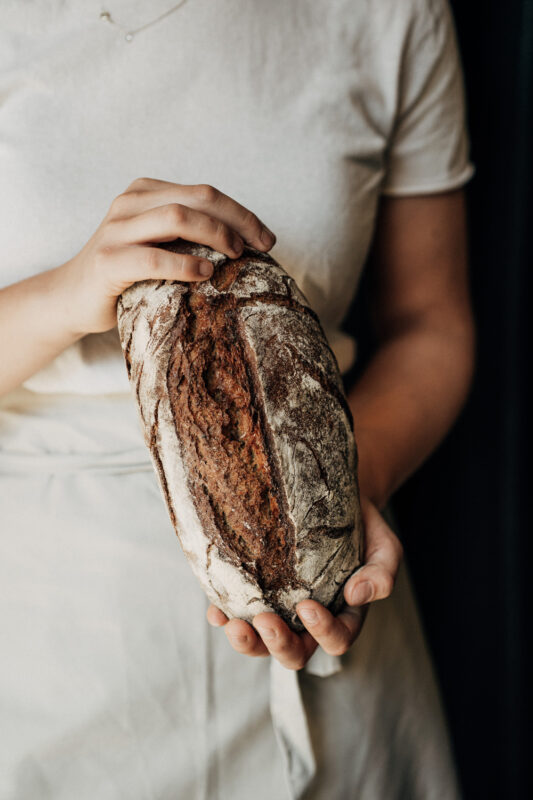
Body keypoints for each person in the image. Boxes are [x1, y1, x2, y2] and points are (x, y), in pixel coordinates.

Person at [0, 0, 475, 798]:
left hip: (333, 624)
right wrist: (66, 294)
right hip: (55, 655)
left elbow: (430, 324)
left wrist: (347, 486)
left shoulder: (388, 12)